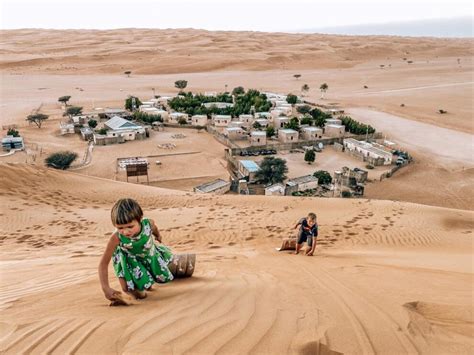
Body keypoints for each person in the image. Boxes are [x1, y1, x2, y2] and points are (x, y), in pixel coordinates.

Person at [98, 198, 175, 303]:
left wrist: (158, 236)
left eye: (130, 226)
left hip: (148, 255)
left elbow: (155, 229)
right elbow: (103, 263)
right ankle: (129, 297)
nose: (125, 231)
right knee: (135, 293)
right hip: (129, 261)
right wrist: (105, 288)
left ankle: (147, 284)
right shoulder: (116, 238)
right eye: (120, 228)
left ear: (140, 219)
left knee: (149, 281)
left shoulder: (148, 224)